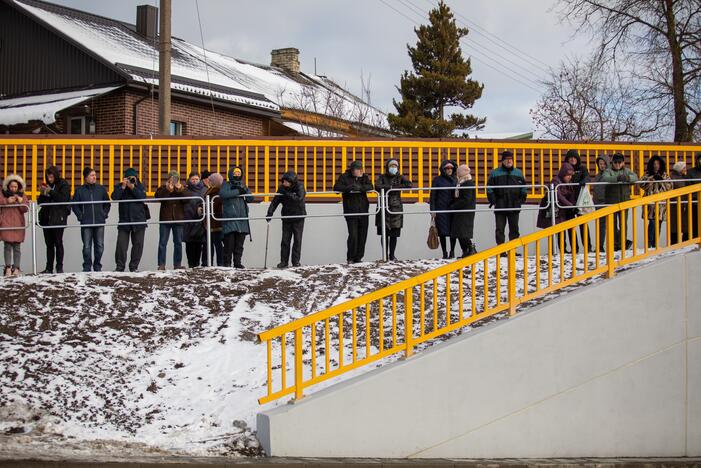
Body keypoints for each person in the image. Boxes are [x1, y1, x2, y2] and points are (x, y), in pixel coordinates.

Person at [333, 160, 374, 264]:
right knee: (353, 235)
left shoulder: (364, 177)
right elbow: (336, 188)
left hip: (363, 210)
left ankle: (358, 257)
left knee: (363, 235)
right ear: (352, 170)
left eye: (360, 170)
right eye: (357, 170)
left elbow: (370, 186)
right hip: (350, 210)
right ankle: (350, 257)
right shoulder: (344, 177)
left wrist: (360, 188)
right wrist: (349, 188)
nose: (359, 172)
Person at [72, 167, 111, 272]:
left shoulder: (101, 189)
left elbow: (107, 203)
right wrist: (80, 216)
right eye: (92, 175)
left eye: (95, 175)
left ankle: (97, 266)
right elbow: (75, 205)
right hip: (86, 223)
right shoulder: (79, 190)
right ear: (85, 177)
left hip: (99, 221)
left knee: (99, 246)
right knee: (87, 247)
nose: (94, 177)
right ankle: (87, 267)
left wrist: (104, 214)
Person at [487, 151, 528, 247]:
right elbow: (489, 188)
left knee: (514, 229)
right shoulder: (495, 173)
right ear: (502, 160)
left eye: (511, 159)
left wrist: (521, 200)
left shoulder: (519, 173)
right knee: (500, 229)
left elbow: (524, 188)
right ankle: (501, 250)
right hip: (500, 204)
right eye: (507, 159)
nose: (509, 161)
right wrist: (493, 201)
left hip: (514, 204)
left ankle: (512, 250)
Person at [266, 170, 306, 268]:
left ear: (291, 181)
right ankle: (284, 261)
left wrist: (287, 193)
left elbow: (298, 198)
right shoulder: (281, 188)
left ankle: (295, 261)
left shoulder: (300, 186)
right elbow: (275, 201)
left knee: (297, 240)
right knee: (285, 240)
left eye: (286, 181)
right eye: (283, 181)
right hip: (286, 217)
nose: (284, 183)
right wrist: (270, 213)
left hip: (298, 217)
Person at [375, 159, 412, 261]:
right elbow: (377, 186)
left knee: (394, 234)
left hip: (396, 208)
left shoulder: (400, 177)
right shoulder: (382, 177)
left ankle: (392, 255)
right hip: (384, 207)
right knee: (384, 232)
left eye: (395, 166)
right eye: (392, 166)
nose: (393, 168)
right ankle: (385, 255)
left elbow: (409, 184)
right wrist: (391, 187)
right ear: (387, 167)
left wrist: (396, 187)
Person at [112, 167, 148, 272]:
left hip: (139, 220)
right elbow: (114, 197)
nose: (132, 180)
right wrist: (123, 186)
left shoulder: (140, 186)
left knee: (138, 245)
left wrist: (133, 187)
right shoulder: (120, 187)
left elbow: (142, 197)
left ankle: (134, 266)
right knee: (121, 245)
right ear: (125, 178)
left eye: (133, 178)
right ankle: (120, 267)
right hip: (124, 220)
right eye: (129, 178)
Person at [601, 153, 639, 250]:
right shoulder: (608, 171)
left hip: (624, 202)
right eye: (615, 162)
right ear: (612, 162)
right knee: (612, 225)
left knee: (623, 225)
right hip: (611, 203)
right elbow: (605, 178)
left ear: (623, 163)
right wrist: (617, 178)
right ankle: (614, 245)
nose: (617, 164)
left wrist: (628, 178)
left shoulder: (627, 171)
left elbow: (635, 177)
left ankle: (622, 244)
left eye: (620, 162)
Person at [37, 166, 71, 274]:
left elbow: (63, 199)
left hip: (58, 217)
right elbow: (40, 202)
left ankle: (59, 267)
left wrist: (51, 192)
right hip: (46, 217)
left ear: (55, 175)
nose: (50, 179)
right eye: (48, 177)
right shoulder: (46, 185)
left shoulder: (63, 184)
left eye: (51, 176)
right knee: (49, 244)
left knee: (58, 242)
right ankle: (49, 268)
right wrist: (42, 193)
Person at [537, 163, 577, 253]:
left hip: (560, 210)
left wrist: (573, 205)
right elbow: (559, 196)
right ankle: (553, 250)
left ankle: (562, 250)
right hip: (551, 210)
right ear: (563, 174)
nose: (569, 177)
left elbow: (571, 195)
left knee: (560, 231)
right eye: (568, 175)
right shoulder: (555, 181)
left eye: (571, 175)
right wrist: (571, 206)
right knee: (553, 231)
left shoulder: (567, 183)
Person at [220, 166, 252, 268]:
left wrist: (244, 191)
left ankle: (237, 263)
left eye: (239, 173)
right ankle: (227, 263)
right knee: (229, 244)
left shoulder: (243, 185)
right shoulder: (226, 184)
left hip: (242, 219)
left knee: (239, 245)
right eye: (235, 173)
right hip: (230, 219)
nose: (237, 175)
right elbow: (223, 194)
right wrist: (238, 192)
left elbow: (251, 198)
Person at [154, 170, 186, 270]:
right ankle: (161, 264)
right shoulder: (163, 188)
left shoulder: (182, 188)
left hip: (178, 219)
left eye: (175, 178)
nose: (173, 180)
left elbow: (187, 199)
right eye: (172, 178)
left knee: (178, 243)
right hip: (165, 219)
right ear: (168, 179)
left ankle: (177, 264)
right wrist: (168, 189)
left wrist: (179, 189)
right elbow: (158, 197)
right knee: (162, 243)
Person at [640, 155, 672, 248]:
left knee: (659, 223)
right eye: (654, 164)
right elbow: (641, 185)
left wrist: (661, 180)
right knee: (652, 222)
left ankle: (655, 243)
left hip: (661, 204)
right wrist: (651, 179)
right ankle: (649, 243)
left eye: (657, 164)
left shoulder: (665, 175)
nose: (656, 166)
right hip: (651, 203)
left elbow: (670, 187)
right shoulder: (647, 174)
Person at [0, 175, 29, 277]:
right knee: (7, 246)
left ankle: (16, 268)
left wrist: (20, 201)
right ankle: (8, 267)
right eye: (11, 186)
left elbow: (26, 208)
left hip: (18, 224)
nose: (13, 189)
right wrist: (6, 201)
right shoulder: (2, 194)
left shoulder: (22, 195)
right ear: (8, 186)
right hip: (6, 223)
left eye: (15, 187)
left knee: (17, 247)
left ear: (19, 187)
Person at [564, 149, 591, 251]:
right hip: (568, 200)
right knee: (570, 226)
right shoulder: (565, 168)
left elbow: (587, 177)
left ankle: (588, 247)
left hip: (580, 199)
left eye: (574, 157)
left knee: (583, 224)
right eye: (570, 157)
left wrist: (583, 181)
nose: (572, 159)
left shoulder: (582, 168)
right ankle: (574, 248)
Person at [430, 160, 457, 259]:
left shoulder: (456, 179)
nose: (449, 170)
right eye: (447, 168)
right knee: (442, 233)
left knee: (453, 232)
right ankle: (444, 252)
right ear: (443, 169)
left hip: (453, 209)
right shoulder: (437, 180)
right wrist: (432, 210)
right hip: (440, 209)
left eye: (451, 168)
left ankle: (452, 251)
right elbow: (432, 196)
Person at [449, 165, 477, 257]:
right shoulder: (461, 183)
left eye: (459, 172)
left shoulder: (468, 183)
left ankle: (470, 248)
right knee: (459, 232)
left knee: (463, 232)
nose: (457, 174)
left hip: (465, 211)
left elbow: (466, 199)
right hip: (461, 211)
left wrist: (454, 206)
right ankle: (465, 251)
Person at [183, 171, 208, 268]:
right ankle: (190, 263)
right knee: (189, 243)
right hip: (188, 219)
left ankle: (196, 264)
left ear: (199, 179)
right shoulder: (186, 190)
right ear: (189, 180)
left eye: (196, 179)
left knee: (199, 243)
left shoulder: (204, 189)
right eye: (192, 179)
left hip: (200, 219)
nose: (194, 181)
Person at [204, 172, 225, 266]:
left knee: (216, 244)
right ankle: (213, 263)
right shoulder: (212, 191)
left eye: (211, 181)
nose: (209, 182)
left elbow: (214, 205)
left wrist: (204, 208)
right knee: (214, 244)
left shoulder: (216, 192)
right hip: (213, 221)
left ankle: (217, 263)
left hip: (215, 222)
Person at [592, 155, 610, 251]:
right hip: (598, 202)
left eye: (603, 164)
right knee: (600, 225)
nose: (602, 165)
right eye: (600, 164)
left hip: (606, 201)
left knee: (610, 225)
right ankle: (600, 246)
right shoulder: (598, 175)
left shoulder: (609, 174)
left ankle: (618, 243)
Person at [669, 161, 688, 244]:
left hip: (683, 204)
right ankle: (675, 244)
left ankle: (685, 242)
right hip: (675, 204)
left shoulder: (684, 177)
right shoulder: (673, 177)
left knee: (685, 225)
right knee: (675, 226)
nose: (685, 169)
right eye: (684, 168)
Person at [687, 153, 701, 238]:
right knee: (695, 223)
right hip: (695, 202)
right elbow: (687, 186)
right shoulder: (691, 172)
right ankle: (695, 240)